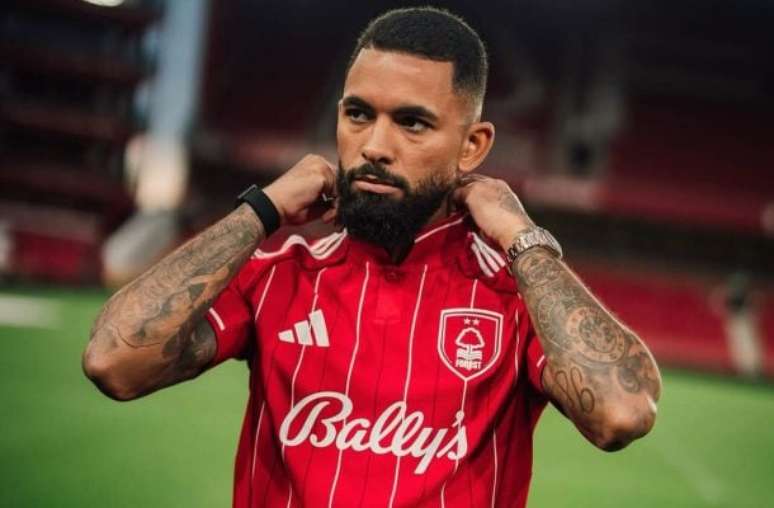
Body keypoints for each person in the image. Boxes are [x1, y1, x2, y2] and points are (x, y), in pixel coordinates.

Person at [83, 7, 661, 507]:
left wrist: (520, 235)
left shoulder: (515, 298)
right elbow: (114, 362)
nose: (375, 146)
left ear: (472, 146)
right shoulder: (279, 275)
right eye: (358, 114)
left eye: (412, 123)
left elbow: (622, 412)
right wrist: (260, 210)